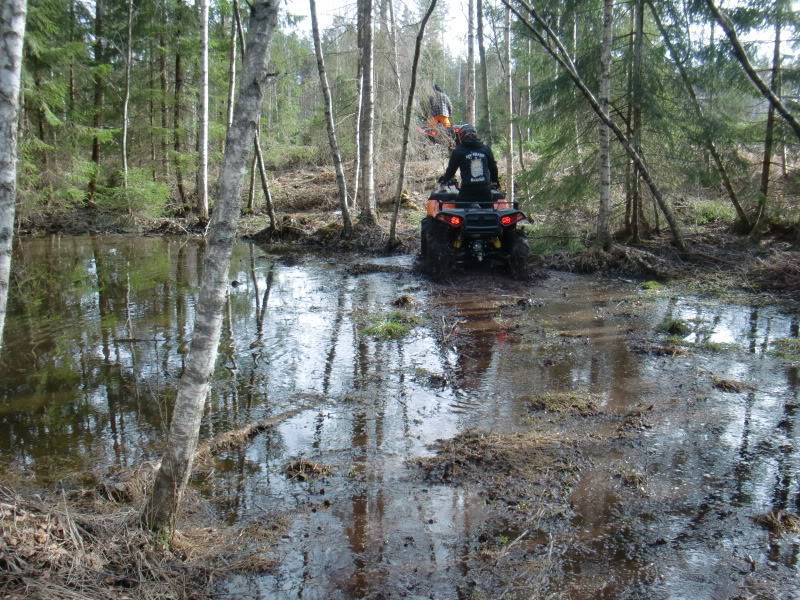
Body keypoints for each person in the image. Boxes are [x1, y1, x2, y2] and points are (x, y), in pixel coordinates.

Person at [437, 123, 499, 205]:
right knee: (489, 214)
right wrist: (495, 182)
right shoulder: (485, 149)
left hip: (467, 189)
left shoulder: (458, 151)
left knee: (460, 213)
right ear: (476, 134)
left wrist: (444, 180)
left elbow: (451, 170)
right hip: (485, 189)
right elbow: (493, 167)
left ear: (461, 136)